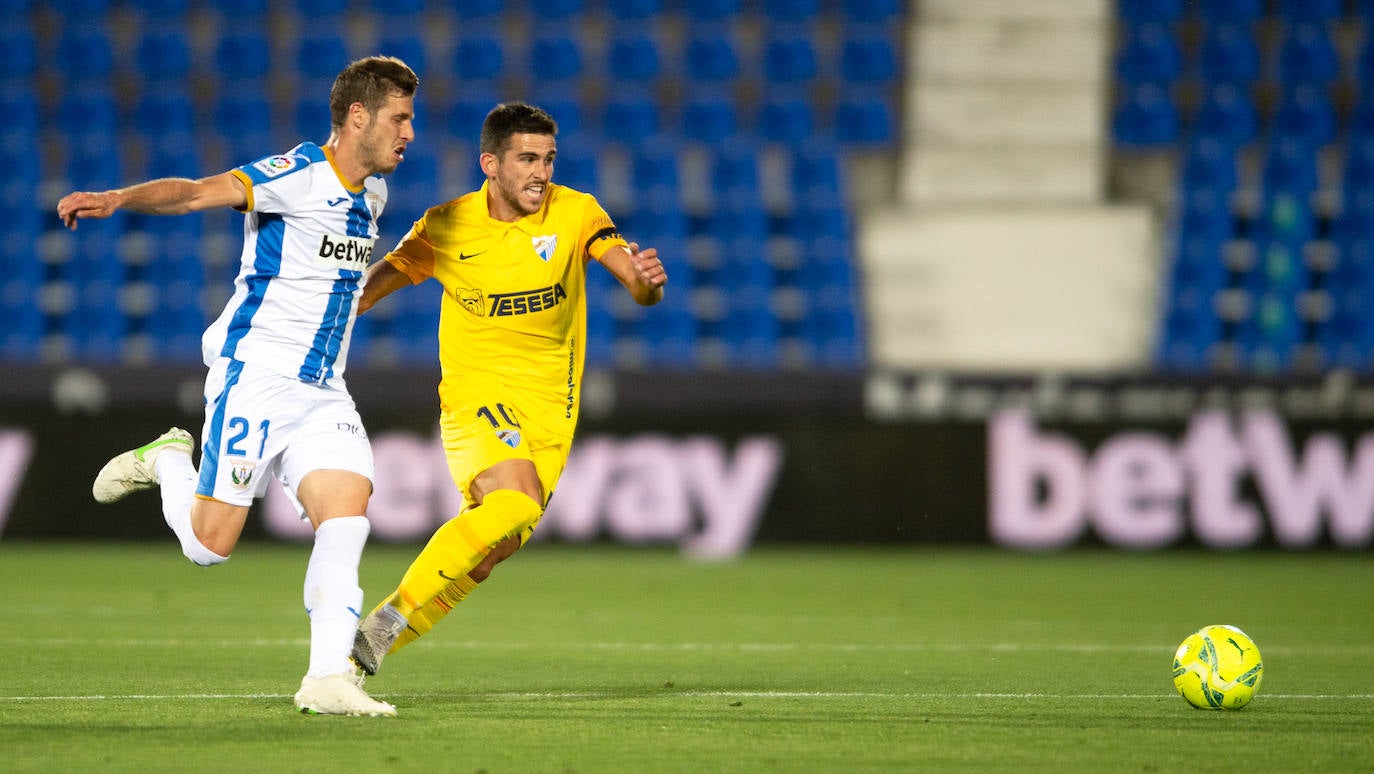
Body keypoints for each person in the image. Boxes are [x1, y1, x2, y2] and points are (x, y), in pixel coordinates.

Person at [56, 56, 419, 717]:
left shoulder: (375, 197)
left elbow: (338, 288)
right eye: (399, 117)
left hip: (323, 390)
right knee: (208, 547)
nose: (410, 133)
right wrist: (120, 198)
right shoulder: (300, 174)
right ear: (358, 117)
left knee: (348, 517)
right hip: (257, 377)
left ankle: (325, 679)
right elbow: (197, 192)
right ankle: (167, 459)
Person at [348, 102, 667, 676]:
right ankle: (386, 619)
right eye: (526, 159)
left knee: (493, 551)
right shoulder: (446, 225)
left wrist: (645, 285)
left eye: (548, 159)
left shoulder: (576, 212)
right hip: (478, 393)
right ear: (490, 163)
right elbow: (369, 291)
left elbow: (632, 280)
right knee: (513, 501)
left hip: (552, 409)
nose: (540, 173)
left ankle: (356, 662)